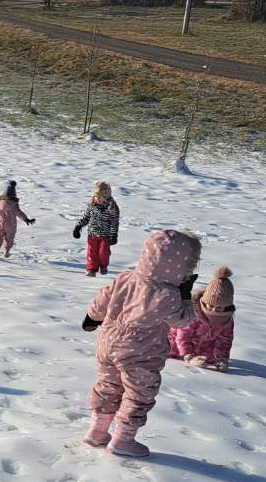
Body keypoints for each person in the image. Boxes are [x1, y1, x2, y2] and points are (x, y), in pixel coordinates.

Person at [81, 229, 204, 458]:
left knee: (108, 384)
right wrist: (186, 296)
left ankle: (97, 432)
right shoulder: (167, 294)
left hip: (107, 342)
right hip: (141, 351)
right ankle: (123, 440)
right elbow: (181, 320)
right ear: (181, 268)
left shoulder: (125, 278)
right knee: (138, 392)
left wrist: (91, 318)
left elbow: (101, 299)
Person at [169, 265, 235, 371]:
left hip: (202, 351)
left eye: (219, 308)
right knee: (165, 348)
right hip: (175, 346)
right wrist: (189, 357)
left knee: (209, 359)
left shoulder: (227, 320)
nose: (214, 310)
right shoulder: (194, 314)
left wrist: (222, 359)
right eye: (211, 306)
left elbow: (225, 340)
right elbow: (182, 337)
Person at [73, 181, 120, 276]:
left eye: (107, 192)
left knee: (103, 253)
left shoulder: (112, 206)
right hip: (92, 233)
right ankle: (91, 270)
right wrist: (78, 226)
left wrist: (114, 234)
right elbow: (86, 218)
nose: (100, 198)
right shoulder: (92, 205)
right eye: (99, 195)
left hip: (105, 235)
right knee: (91, 252)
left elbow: (114, 221)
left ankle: (103, 266)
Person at [0, 180, 35, 259]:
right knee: (9, 238)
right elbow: (19, 213)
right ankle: (7, 252)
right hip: (11, 224)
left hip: (0, 222)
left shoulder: (0, 203)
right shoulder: (14, 204)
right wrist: (26, 219)